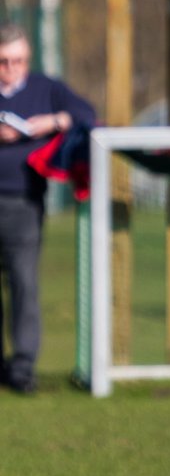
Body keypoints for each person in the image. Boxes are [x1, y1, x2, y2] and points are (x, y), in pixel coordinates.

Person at [0, 22, 95, 395]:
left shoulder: (46, 89)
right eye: (4, 62)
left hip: (23, 203)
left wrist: (50, 123)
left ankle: (23, 369)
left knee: (23, 284)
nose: (11, 69)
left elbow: (86, 113)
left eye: (18, 61)